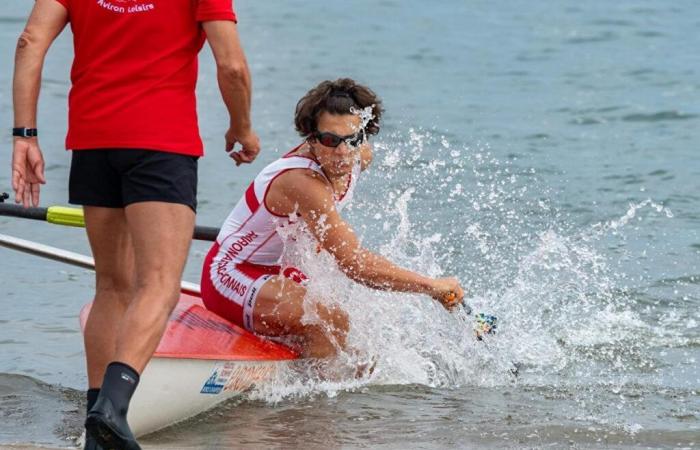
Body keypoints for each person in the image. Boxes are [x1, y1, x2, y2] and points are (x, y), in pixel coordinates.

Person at [11, 0, 260, 448]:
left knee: (111, 285)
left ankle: (96, 425)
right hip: (162, 145)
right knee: (159, 284)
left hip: (92, 140)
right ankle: (114, 406)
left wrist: (24, 135)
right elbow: (234, 67)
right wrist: (242, 128)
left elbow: (29, 42)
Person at [201, 78, 464, 361]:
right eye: (330, 140)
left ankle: (316, 377)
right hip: (230, 274)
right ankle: (311, 402)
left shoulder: (360, 155)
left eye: (352, 139)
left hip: (278, 270)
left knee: (361, 337)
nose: (341, 152)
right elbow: (355, 264)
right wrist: (431, 286)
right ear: (311, 138)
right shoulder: (302, 182)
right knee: (330, 321)